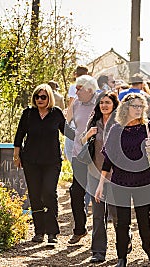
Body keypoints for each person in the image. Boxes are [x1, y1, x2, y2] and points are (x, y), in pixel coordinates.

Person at [95, 93, 150, 267]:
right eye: (135, 106)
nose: (139, 109)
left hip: (143, 179)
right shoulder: (116, 129)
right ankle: (121, 257)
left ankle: (148, 248)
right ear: (126, 108)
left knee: (144, 218)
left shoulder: (148, 127)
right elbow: (108, 159)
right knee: (122, 221)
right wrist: (101, 184)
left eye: (141, 106)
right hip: (120, 181)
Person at [13, 84, 72, 244]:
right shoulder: (28, 114)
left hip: (52, 161)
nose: (39, 99)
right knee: (35, 194)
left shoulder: (56, 114)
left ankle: (52, 232)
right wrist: (16, 155)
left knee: (49, 192)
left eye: (43, 97)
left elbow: (68, 132)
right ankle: (39, 232)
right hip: (31, 161)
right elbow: (19, 134)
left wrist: (85, 132)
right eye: (37, 97)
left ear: (49, 98)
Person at [81, 91, 119, 263]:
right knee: (97, 214)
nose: (104, 105)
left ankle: (124, 244)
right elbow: (82, 141)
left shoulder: (119, 122)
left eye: (107, 102)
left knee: (117, 214)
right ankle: (98, 251)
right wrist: (88, 135)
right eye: (101, 102)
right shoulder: (94, 122)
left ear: (114, 105)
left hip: (116, 176)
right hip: (94, 172)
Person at [66, 75, 100, 244]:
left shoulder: (100, 102)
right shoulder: (76, 103)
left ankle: (99, 236)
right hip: (79, 153)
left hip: (97, 155)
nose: (76, 91)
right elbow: (65, 124)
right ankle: (80, 229)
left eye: (79, 88)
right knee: (76, 192)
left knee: (97, 194)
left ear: (89, 89)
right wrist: (78, 137)